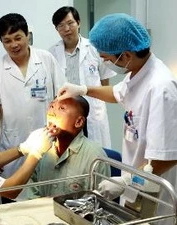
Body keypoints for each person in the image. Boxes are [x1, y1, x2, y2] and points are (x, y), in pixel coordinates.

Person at [57, 13, 177, 224]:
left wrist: (127, 180)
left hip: (157, 196)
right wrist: (83, 89)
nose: (106, 62)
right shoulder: (137, 73)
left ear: (126, 55)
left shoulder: (161, 88)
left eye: (108, 59)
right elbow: (117, 93)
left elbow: (165, 158)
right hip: (139, 185)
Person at [0, 13, 66, 180]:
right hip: (12, 145)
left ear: (27, 35)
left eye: (18, 38)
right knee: (15, 194)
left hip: (48, 141)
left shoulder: (46, 59)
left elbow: (62, 99)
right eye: (7, 41)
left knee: (46, 191)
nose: (14, 45)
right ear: (2, 42)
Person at [49, 6, 116, 148]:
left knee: (97, 155)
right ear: (56, 29)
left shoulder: (94, 49)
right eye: (61, 26)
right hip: (66, 114)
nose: (66, 29)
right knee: (70, 155)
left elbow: (105, 83)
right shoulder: (51, 54)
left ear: (78, 23)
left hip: (93, 112)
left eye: (70, 23)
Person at [25, 96, 110, 199]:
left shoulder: (95, 157)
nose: (51, 113)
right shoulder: (40, 148)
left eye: (62, 108)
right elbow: (32, 194)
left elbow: (99, 203)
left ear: (78, 122)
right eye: (51, 106)